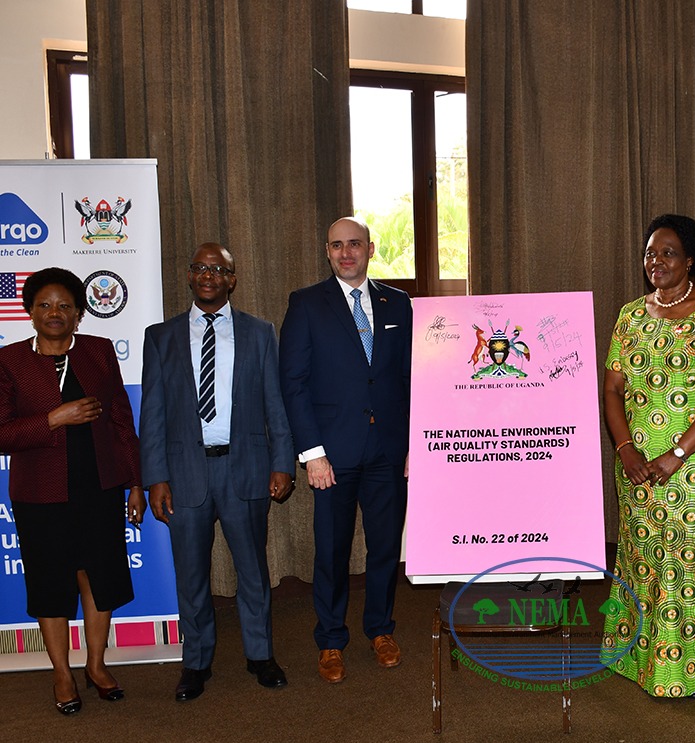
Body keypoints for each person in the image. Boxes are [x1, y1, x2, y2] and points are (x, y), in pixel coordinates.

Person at [600, 213, 695, 698]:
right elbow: (612, 389)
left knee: (693, 558)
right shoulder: (630, 314)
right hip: (637, 461)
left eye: (667, 253)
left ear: (690, 261)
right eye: (649, 253)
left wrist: (678, 453)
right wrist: (625, 450)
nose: (655, 261)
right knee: (644, 556)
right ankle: (640, 659)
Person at [141, 243, 295, 701]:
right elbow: (153, 413)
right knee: (191, 576)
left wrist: (282, 462)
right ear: (189, 277)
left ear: (232, 279)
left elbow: (275, 404)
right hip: (184, 472)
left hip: (244, 469)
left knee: (252, 571)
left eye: (219, 269)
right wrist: (155, 477)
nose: (209, 275)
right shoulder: (160, 337)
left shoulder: (259, 332)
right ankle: (196, 662)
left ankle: (260, 654)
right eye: (201, 268)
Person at [0, 267, 145, 715]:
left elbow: (121, 419)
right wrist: (53, 419)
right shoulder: (8, 361)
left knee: (97, 577)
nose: (54, 313)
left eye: (65, 305)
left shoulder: (99, 352)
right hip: (40, 493)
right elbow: (2, 434)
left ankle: (96, 665)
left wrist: (135, 482)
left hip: (99, 486)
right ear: (29, 311)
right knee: (50, 582)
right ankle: (62, 673)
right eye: (44, 305)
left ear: (80, 313)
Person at [279, 217, 412, 682]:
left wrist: (415, 443)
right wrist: (311, 453)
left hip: (389, 452)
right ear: (327, 251)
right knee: (331, 551)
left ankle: (380, 628)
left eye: (354, 244)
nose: (346, 253)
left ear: (371, 249)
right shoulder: (306, 304)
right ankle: (331, 639)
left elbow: (410, 380)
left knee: (384, 547)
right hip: (331, 455)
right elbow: (292, 384)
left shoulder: (399, 303)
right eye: (336, 246)